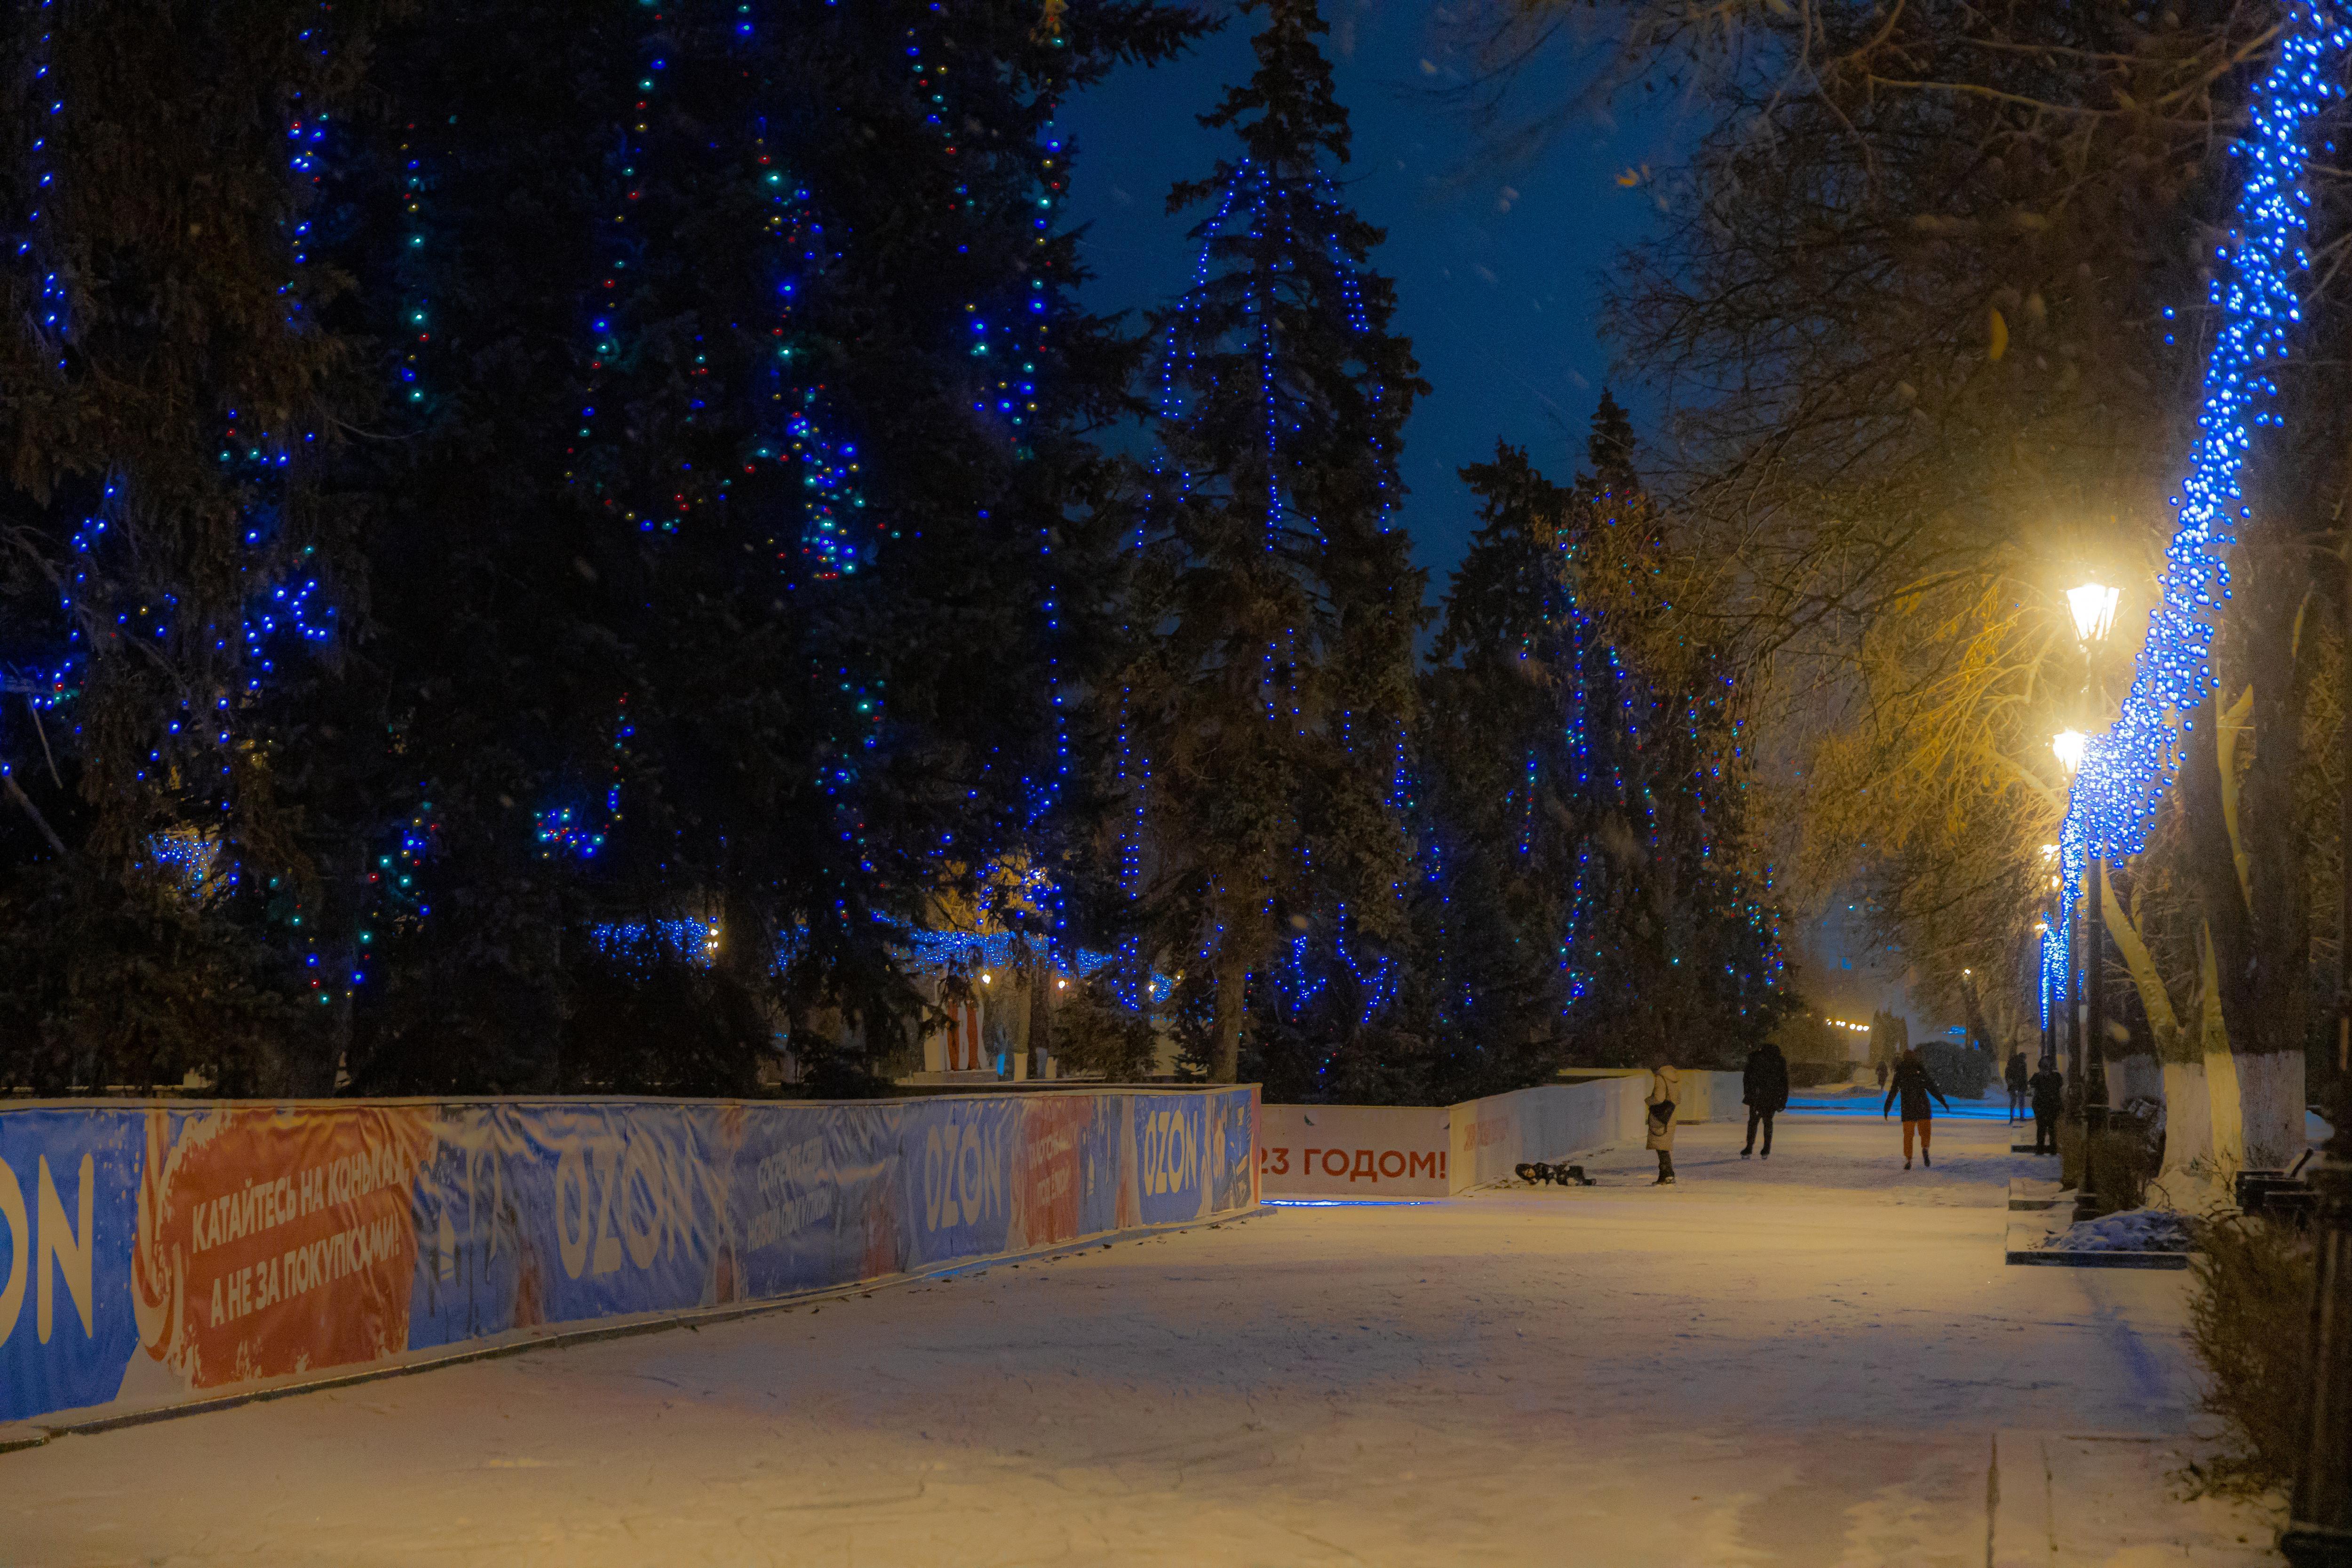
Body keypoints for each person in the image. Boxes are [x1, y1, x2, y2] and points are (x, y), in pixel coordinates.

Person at [1881, 1048, 1951, 1170]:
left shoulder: (1901, 1073)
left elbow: (1893, 1092)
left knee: (1908, 1135)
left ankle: (1909, 1159)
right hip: (1922, 1106)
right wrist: (1943, 1101)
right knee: (1925, 1131)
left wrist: (1887, 1108)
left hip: (1908, 1107)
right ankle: (1925, 1148)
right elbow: (1932, 1088)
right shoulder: (1919, 1070)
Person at [1740, 1040, 1790, 1159]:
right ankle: (1766, 1149)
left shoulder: (1756, 1059)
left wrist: (1749, 1093)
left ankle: (1749, 1147)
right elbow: (1784, 1082)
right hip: (1771, 1097)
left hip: (1758, 1096)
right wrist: (1783, 1099)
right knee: (1768, 1122)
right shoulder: (1778, 1061)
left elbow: (1747, 1078)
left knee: (1753, 1122)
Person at [1646, 1058, 1682, 1185]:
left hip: (1661, 1116)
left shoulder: (1661, 1078)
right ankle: (1665, 1175)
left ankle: (1667, 1174)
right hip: (1670, 1115)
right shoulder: (1674, 1078)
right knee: (1664, 1146)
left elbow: (1659, 1098)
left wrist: (1649, 1101)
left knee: (1661, 1146)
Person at [2028, 1057, 2066, 1155]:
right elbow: (2032, 1086)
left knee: (2049, 1128)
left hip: (2050, 1105)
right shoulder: (2040, 1077)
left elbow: (2059, 1087)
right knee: (2044, 1128)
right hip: (2044, 1106)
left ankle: (2048, 1149)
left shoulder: (2055, 1077)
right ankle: (2043, 1148)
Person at [2004, 1050, 2030, 1123]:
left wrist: (2010, 1083)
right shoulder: (2023, 1064)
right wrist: (2026, 1085)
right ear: (2024, 1058)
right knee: (2021, 1101)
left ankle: (2012, 1117)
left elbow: (2007, 1074)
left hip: (2012, 1085)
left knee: (2013, 1102)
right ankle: (2022, 1116)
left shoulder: (2011, 1063)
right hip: (2021, 1085)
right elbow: (2024, 1076)